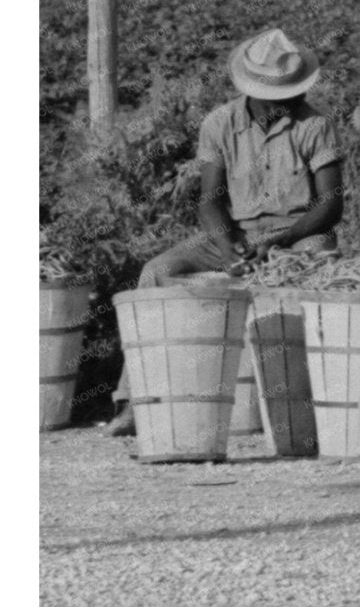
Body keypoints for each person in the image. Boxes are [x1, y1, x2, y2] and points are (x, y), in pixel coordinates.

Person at [108, 28, 344, 436]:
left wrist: (281, 240)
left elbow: (330, 204)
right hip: (235, 230)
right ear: (256, 94)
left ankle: (309, 398)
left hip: (297, 232)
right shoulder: (219, 123)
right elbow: (210, 199)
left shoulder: (315, 124)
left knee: (321, 258)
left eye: (296, 90)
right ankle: (136, 401)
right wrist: (227, 243)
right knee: (157, 271)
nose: (296, 99)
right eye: (285, 94)